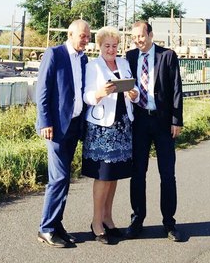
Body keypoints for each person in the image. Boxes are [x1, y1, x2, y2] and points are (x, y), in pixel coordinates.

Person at [125, 20, 184, 241]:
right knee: (138, 173)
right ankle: (137, 219)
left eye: (141, 36)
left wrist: (176, 120)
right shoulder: (130, 58)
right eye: (134, 37)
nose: (138, 40)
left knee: (167, 174)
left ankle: (169, 223)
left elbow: (177, 89)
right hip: (139, 122)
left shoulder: (167, 55)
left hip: (162, 123)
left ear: (150, 34)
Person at [36, 19, 90, 248]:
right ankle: (46, 228)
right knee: (58, 178)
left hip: (75, 126)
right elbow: (43, 90)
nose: (86, 40)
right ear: (70, 34)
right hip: (56, 128)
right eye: (82, 36)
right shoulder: (54, 54)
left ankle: (57, 226)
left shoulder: (84, 58)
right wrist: (45, 122)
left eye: (88, 36)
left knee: (65, 179)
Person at [82, 26, 139, 244]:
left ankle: (108, 218)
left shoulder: (123, 63)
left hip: (123, 126)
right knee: (103, 175)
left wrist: (133, 94)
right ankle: (96, 222)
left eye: (115, 46)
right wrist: (99, 93)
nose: (111, 50)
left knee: (114, 176)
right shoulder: (93, 66)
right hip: (103, 127)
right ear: (99, 46)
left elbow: (134, 90)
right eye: (107, 46)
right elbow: (86, 95)